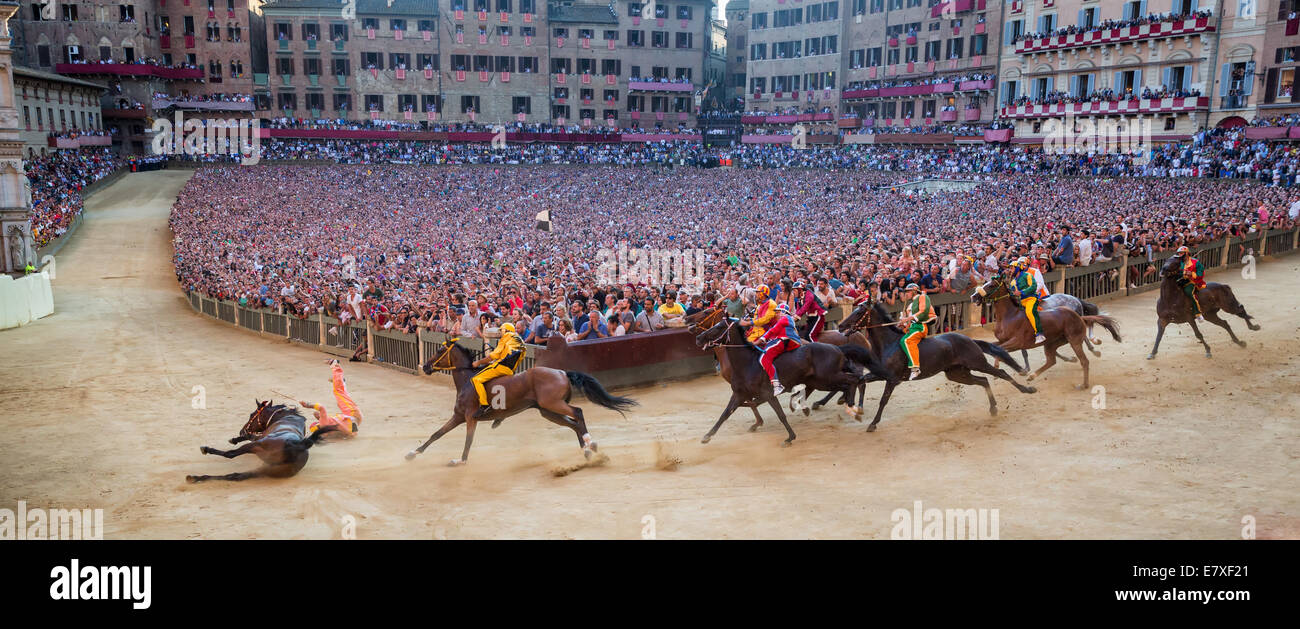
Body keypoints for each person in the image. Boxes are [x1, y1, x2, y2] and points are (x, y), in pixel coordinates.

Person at [470, 321, 525, 417]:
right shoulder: (520, 340)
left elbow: (493, 356)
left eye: (501, 330)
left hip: (500, 367)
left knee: (475, 379)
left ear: (506, 330)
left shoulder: (505, 337)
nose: (500, 333)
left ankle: (484, 405)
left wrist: (478, 362)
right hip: (511, 371)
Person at [300, 359, 362, 438]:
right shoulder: (323, 424)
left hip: (354, 423)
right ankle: (335, 365)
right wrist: (308, 405)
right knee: (338, 391)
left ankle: (342, 382)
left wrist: (320, 418)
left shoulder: (328, 434)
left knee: (341, 398)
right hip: (352, 414)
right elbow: (321, 408)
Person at [757, 302, 802, 394]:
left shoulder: (785, 318)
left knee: (763, 358)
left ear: (783, 312)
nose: (776, 314)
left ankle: (777, 385)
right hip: (789, 341)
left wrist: (761, 339)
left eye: (777, 312)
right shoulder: (787, 319)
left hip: (786, 340)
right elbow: (775, 332)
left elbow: (774, 330)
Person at [897, 283, 935, 380]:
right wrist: (904, 324)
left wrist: (908, 318)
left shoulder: (922, 297)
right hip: (913, 327)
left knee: (907, 341)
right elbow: (909, 322)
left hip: (920, 327)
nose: (906, 294)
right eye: (905, 292)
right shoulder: (910, 305)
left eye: (908, 291)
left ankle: (915, 368)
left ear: (914, 291)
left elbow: (924, 312)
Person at [1009, 258, 1046, 344]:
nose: (1010, 270)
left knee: (1030, 312)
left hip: (1031, 299)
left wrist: (1021, 292)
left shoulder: (1027, 275)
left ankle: (1039, 334)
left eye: (1011, 268)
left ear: (1017, 268)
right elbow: (1013, 293)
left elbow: (1033, 287)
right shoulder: (1012, 282)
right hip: (1021, 302)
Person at [1172, 245, 1206, 322]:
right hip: (1180, 280)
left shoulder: (1196, 262)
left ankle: (1198, 313)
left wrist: (1191, 274)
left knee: (1188, 292)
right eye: (1179, 253)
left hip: (1191, 281)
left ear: (1186, 253)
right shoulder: (1178, 262)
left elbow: (1201, 273)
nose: (1179, 255)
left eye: (1181, 253)